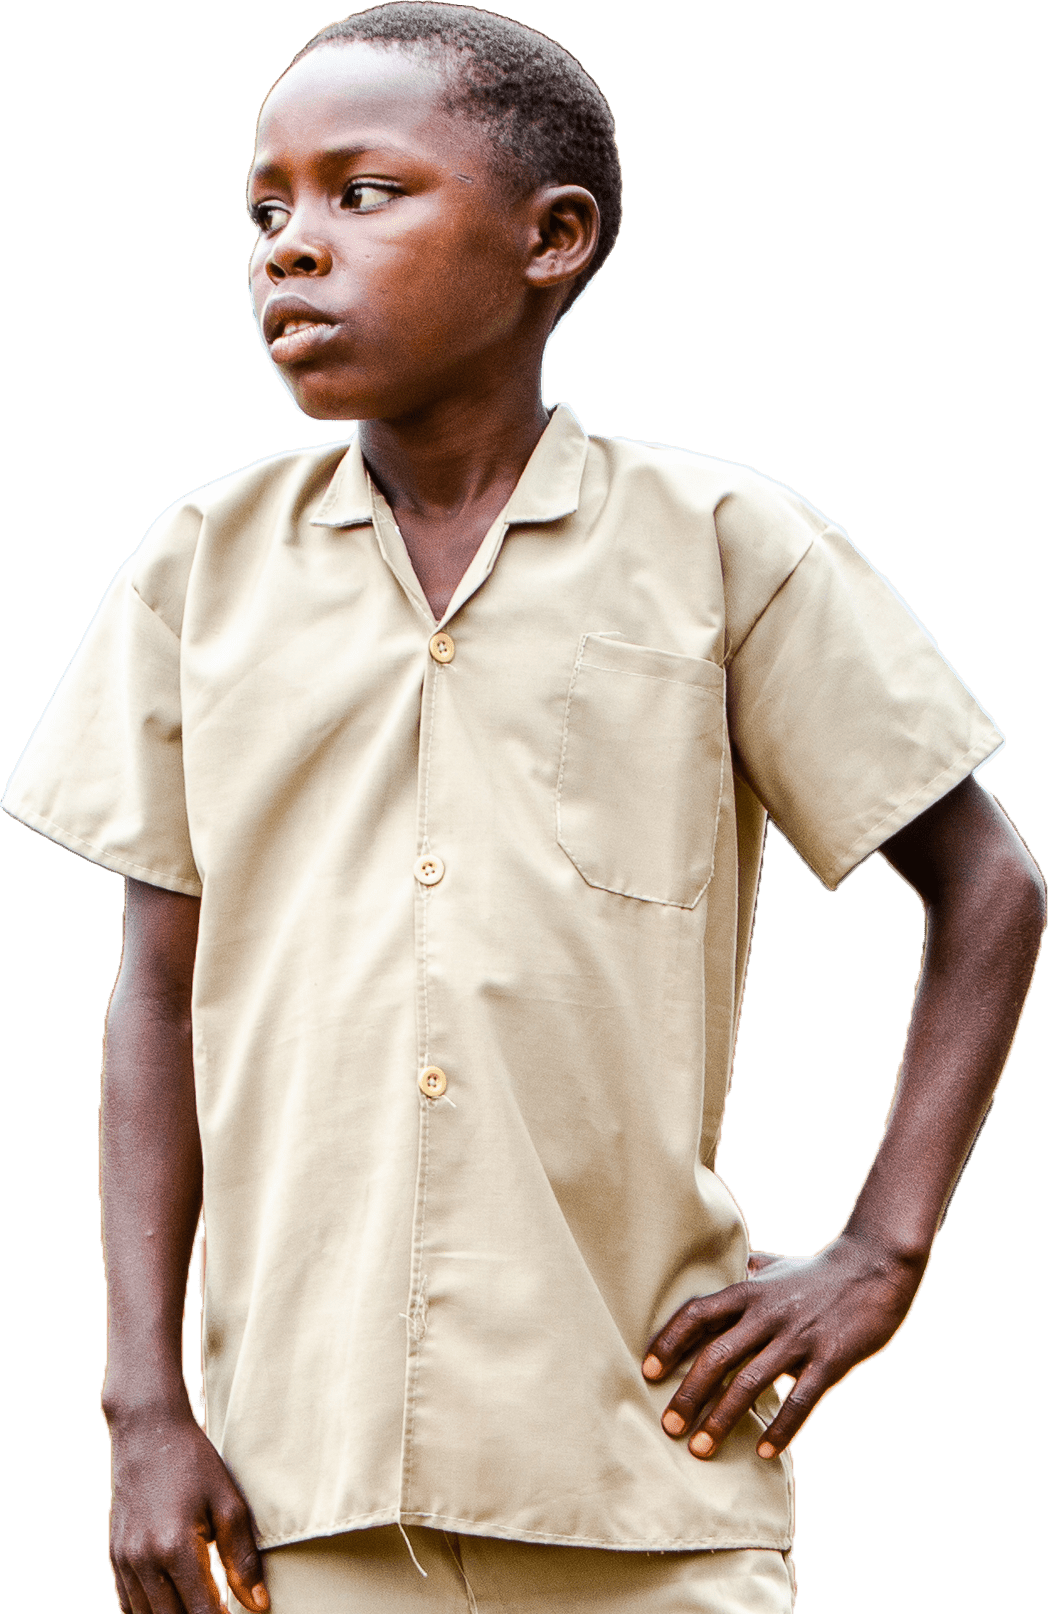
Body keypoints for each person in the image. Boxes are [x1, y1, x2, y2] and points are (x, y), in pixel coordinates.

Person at [3, 5, 1043, 1611]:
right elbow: (158, 989)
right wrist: (143, 1400)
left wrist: (879, 1253)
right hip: (296, 1497)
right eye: (266, 208)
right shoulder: (196, 567)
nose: (291, 250)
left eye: (365, 193)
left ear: (553, 239)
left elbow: (990, 883)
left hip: (647, 1475)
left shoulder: (722, 543)